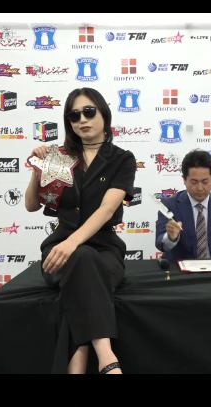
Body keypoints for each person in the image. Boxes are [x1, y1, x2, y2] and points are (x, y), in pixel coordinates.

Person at [25, 87, 136, 374]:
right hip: (59, 251)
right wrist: (37, 171)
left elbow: (107, 210)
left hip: (104, 250)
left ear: (103, 114)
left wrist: (71, 243)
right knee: (82, 259)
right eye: (74, 116)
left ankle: (79, 358)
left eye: (89, 112)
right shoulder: (59, 156)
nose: (82, 120)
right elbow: (31, 205)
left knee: (83, 260)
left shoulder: (122, 159)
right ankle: (106, 356)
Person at [155, 149, 211, 262]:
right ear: (184, 180)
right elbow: (160, 244)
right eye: (194, 182)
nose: (200, 188)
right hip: (180, 269)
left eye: (205, 182)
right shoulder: (169, 205)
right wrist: (170, 238)